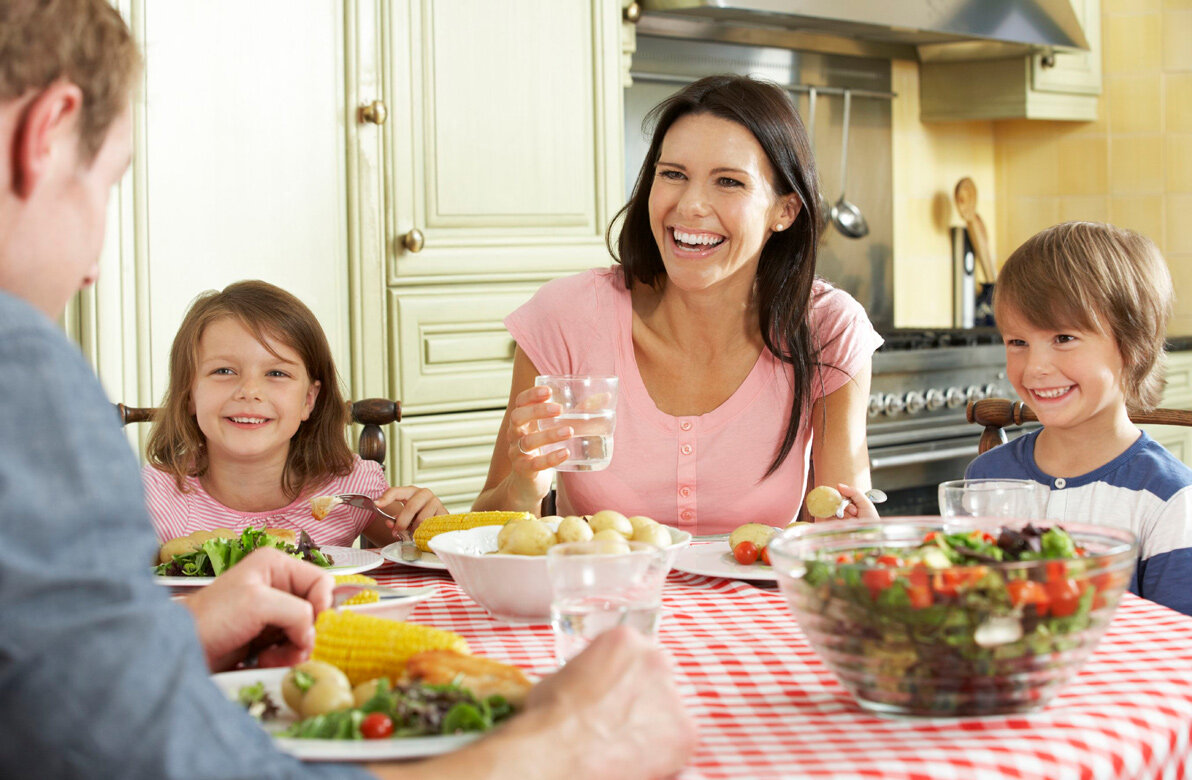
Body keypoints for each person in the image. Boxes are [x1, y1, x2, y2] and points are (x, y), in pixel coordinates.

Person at [0, 1, 696, 778]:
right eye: (105, 182)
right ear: (47, 132)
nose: (94, 261)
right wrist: (564, 747)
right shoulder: (20, 374)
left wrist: (177, 631)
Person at [474, 74, 883, 533]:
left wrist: (858, 527)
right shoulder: (567, 317)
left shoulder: (828, 327)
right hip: (595, 600)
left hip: (756, 606)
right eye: (673, 175)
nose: (690, 206)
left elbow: (840, 525)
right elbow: (487, 529)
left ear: (784, 211)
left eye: (728, 181)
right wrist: (524, 486)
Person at [965, 221, 1192, 616]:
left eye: (1063, 338)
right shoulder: (987, 476)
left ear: (1133, 345)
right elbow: (967, 602)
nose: (1035, 367)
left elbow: (1179, 646)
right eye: (1018, 342)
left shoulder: (1169, 500)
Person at [142, 280, 445, 548]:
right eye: (223, 370)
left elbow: (424, 553)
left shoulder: (348, 489)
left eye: (276, 372)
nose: (249, 391)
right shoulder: (153, 498)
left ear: (308, 400)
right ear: (189, 393)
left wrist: (433, 527)